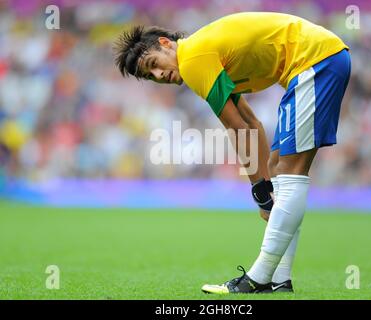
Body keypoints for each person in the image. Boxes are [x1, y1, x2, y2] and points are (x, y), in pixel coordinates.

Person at [113, 11, 351, 294]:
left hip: (315, 61)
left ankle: (258, 278)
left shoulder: (192, 61)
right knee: (279, 169)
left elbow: (238, 128)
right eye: (150, 76)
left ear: (166, 43)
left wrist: (261, 193)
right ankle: (279, 280)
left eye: (153, 64)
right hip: (320, 59)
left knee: (288, 173)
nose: (159, 75)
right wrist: (264, 184)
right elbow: (252, 123)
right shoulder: (202, 53)